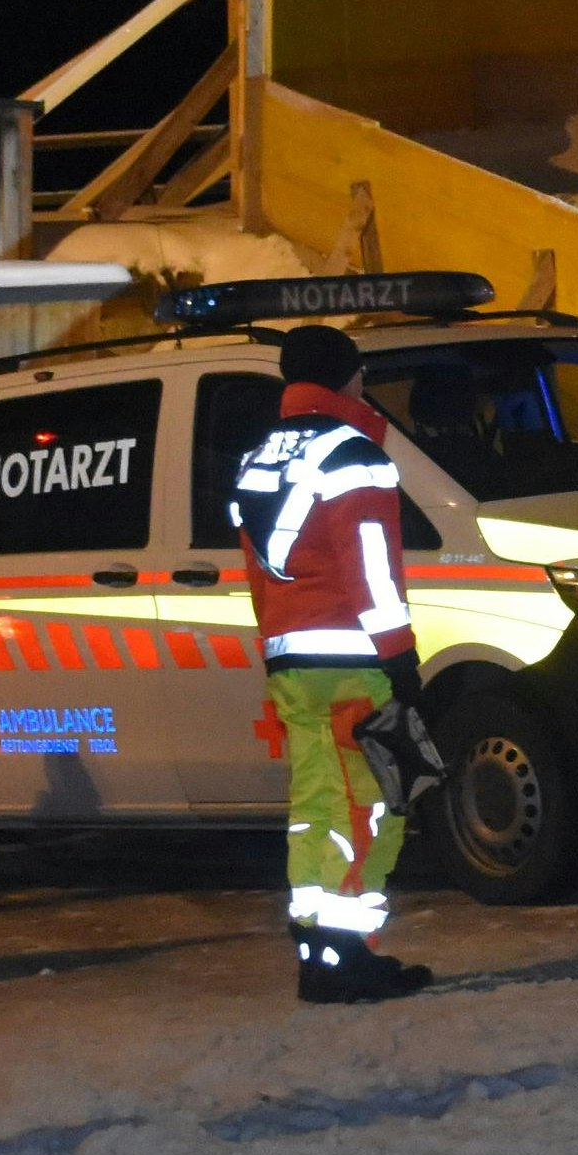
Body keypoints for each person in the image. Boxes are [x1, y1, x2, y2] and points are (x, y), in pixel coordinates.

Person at [229, 324, 441, 1004]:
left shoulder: (259, 455)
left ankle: (320, 951)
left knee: (315, 805)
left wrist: (278, 648)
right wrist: (399, 653)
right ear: (347, 376)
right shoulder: (354, 454)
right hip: (352, 657)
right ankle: (346, 954)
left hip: (292, 660)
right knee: (371, 804)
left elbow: (260, 575)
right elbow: (370, 567)